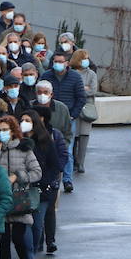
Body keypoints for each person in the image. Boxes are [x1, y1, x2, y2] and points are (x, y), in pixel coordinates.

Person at [0, 116, 42, 259]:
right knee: (3, 240)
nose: (2, 133)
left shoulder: (24, 150)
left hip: (19, 199)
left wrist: (18, 176)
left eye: (6, 130)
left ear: (13, 131)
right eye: (0, 130)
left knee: (18, 238)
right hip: (0, 201)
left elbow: (37, 173)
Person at [42, 52, 87, 190]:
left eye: (61, 61)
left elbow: (81, 98)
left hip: (67, 118)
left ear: (67, 63)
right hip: (47, 116)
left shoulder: (75, 77)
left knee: (66, 148)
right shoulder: (46, 76)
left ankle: (67, 180)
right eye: (55, 61)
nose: (58, 64)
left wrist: (72, 115)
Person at [23, 109, 63, 259]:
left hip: (42, 191)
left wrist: (44, 182)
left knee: (37, 225)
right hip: (22, 190)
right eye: (22, 120)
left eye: (27, 120)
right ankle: (29, 257)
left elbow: (55, 166)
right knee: (24, 224)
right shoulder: (18, 142)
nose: (23, 123)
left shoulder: (46, 142)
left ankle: (33, 250)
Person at [32, 80, 75, 192]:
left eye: (46, 92)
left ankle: (67, 179)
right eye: (39, 92)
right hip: (36, 146)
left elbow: (68, 131)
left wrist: (62, 145)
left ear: (51, 94)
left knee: (67, 155)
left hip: (57, 144)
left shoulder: (62, 108)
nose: (42, 95)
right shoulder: (29, 107)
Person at [71, 49, 99, 174]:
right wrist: (83, 88)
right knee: (74, 135)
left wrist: (79, 89)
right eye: (84, 58)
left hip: (87, 108)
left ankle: (81, 163)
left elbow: (92, 90)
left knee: (84, 135)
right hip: (75, 107)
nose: (87, 60)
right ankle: (73, 161)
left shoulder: (92, 74)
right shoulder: (71, 73)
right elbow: (72, 90)